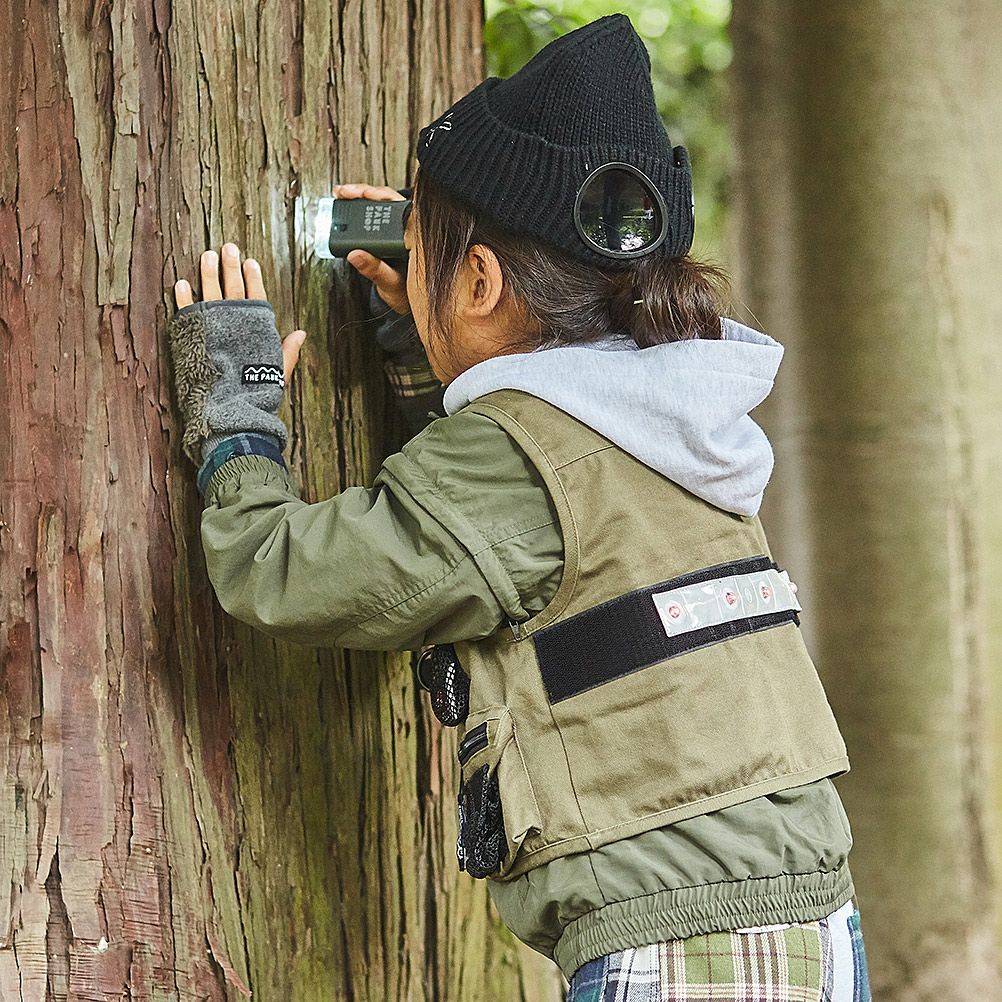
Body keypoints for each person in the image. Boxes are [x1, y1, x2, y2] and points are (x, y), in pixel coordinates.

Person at [167, 13, 871, 1001]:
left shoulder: (514, 455)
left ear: (481, 280)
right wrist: (421, 342)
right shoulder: (669, 414)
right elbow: (507, 534)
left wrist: (236, 413)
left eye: (424, 249)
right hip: (815, 921)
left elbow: (280, 569)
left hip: (690, 952)